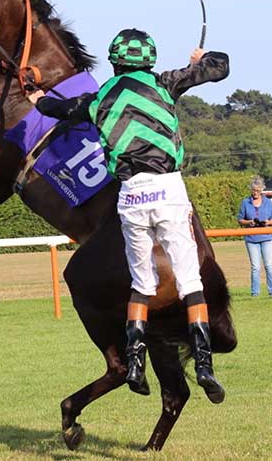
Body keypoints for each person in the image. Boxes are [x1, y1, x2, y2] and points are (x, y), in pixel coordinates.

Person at [27, 28, 229, 403]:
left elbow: (61, 111)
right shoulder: (165, 83)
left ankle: (134, 362)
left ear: (116, 61)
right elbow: (222, 67)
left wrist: (38, 99)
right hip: (168, 190)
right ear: (149, 60)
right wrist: (199, 61)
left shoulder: (100, 97)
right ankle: (203, 366)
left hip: (131, 196)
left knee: (142, 283)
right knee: (189, 281)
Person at [237, 176, 272, 297]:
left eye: (258, 190)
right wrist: (249, 222)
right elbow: (240, 220)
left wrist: (267, 222)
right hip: (251, 239)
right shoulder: (245, 202)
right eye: (254, 190)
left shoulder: (268, 203)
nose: (255, 193)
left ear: (261, 190)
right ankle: (255, 292)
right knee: (255, 267)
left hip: (266, 237)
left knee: (269, 265)